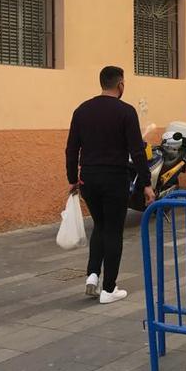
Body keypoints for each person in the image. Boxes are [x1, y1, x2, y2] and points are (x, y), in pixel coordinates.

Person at [66, 66, 154, 304]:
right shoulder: (126, 112)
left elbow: (72, 148)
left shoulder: (81, 110)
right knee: (114, 230)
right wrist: (146, 183)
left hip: (89, 179)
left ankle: (92, 276)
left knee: (100, 225)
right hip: (115, 178)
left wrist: (73, 178)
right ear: (120, 85)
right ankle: (109, 288)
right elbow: (137, 151)